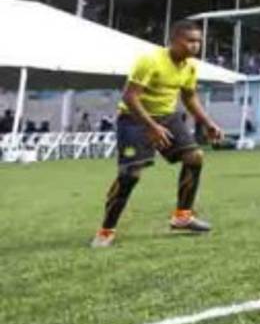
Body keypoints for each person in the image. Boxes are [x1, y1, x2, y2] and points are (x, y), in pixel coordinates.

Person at [91, 20, 223, 249]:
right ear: (174, 41)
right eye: (190, 41)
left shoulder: (190, 67)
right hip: (133, 119)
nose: (195, 46)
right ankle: (106, 230)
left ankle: (182, 216)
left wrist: (208, 122)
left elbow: (189, 97)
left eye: (198, 42)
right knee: (130, 174)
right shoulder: (150, 61)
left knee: (195, 157)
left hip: (167, 118)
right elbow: (129, 97)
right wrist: (151, 126)